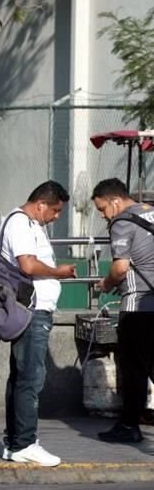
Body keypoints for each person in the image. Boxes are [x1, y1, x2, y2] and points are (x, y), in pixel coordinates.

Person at [0, 180, 76, 466]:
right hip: (32, 312)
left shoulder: (31, 224)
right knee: (31, 378)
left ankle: (14, 442)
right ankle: (25, 443)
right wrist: (59, 272)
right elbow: (28, 265)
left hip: (31, 311)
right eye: (54, 211)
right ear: (40, 204)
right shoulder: (21, 224)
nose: (56, 217)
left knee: (21, 377)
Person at [91, 178, 154, 443]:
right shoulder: (150, 212)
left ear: (115, 201)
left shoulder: (122, 222)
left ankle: (129, 425)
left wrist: (104, 284)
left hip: (138, 305)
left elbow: (120, 268)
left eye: (103, 209)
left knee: (133, 367)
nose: (104, 216)